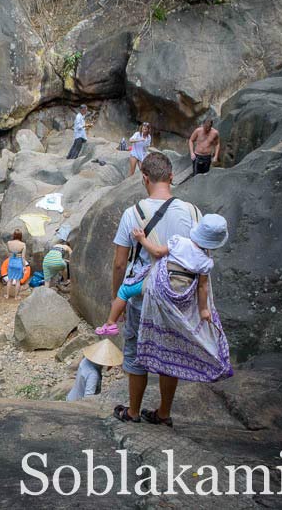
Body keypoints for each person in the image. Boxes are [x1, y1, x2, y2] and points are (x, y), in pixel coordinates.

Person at [109, 152, 201, 426]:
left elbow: (119, 263)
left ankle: (134, 412)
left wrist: (117, 297)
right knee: (168, 348)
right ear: (172, 177)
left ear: (145, 178)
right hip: (177, 295)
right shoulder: (193, 213)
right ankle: (163, 412)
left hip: (141, 294)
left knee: (137, 349)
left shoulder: (133, 214)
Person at [96, 213, 229, 336]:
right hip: (179, 296)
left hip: (159, 285)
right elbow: (202, 286)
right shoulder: (206, 263)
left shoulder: (179, 241)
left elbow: (157, 252)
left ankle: (111, 323)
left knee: (124, 291)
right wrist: (204, 310)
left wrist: (141, 239)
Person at [4, 229, 27, 299]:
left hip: (11, 262)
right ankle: (16, 296)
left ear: (13, 235)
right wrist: (24, 266)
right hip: (18, 263)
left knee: (10, 279)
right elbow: (23, 257)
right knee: (18, 281)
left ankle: (7, 295)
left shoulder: (9, 243)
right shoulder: (23, 245)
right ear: (21, 236)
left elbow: (8, 253)